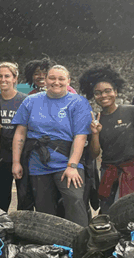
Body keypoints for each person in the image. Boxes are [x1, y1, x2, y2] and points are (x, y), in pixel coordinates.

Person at [11, 65, 92, 226]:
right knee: (45, 212)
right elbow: (20, 133)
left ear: (68, 81)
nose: (56, 82)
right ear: (46, 80)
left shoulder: (78, 102)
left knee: (74, 202)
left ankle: (82, 245)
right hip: (38, 164)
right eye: (52, 78)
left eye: (61, 79)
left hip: (66, 162)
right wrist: (16, 162)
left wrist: (72, 165)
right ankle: (51, 248)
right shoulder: (31, 101)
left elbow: (80, 137)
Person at [79, 65, 134, 212]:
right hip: (109, 172)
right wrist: (95, 134)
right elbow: (94, 154)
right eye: (98, 93)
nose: (103, 96)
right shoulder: (96, 120)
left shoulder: (132, 111)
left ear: (115, 92)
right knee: (111, 213)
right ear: (93, 96)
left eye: (107, 91)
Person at [0, 62, 28, 212]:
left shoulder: (25, 101)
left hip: (22, 152)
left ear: (15, 78)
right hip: (1, 154)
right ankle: (1, 228)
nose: (3, 79)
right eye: (0, 76)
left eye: (7, 76)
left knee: (24, 197)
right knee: (1, 197)